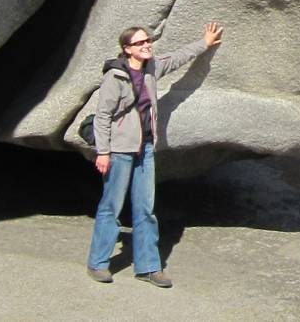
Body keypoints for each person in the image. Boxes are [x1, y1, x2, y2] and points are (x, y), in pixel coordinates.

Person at [86, 22, 224, 287]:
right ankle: (98, 263)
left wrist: (204, 44)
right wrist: (103, 152)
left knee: (146, 209)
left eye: (148, 40)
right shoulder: (115, 77)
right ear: (127, 49)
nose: (147, 44)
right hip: (119, 151)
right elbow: (102, 117)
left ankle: (148, 267)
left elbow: (176, 59)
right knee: (111, 208)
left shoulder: (151, 68)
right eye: (140, 43)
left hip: (146, 149)